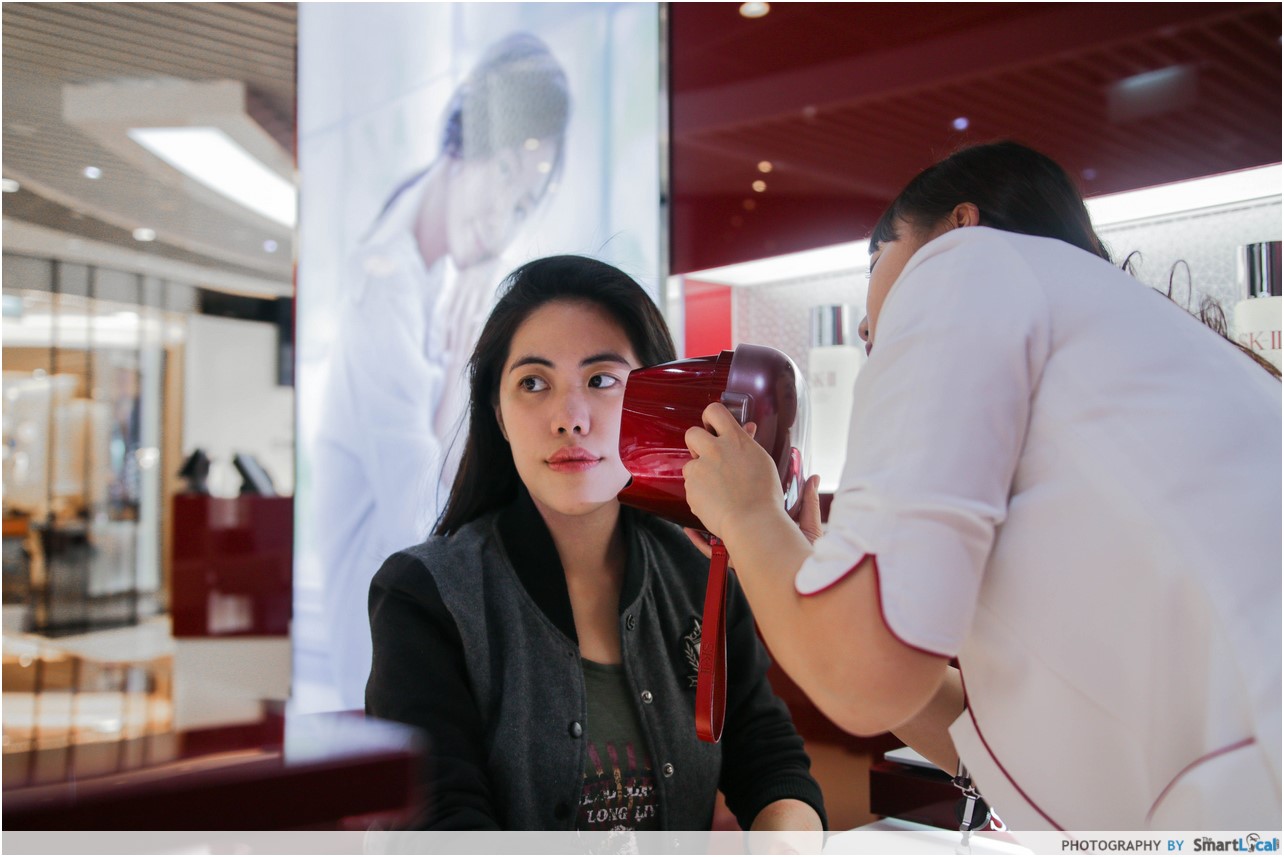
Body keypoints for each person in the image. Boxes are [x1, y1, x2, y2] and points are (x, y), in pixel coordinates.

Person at [681, 141, 1281, 831]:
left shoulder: (963, 266)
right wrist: (804, 572)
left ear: (959, 225)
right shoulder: (1141, 363)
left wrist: (749, 515)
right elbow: (990, 741)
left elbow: (862, 675)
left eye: (877, 264)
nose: (870, 327)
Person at [365, 255, 827, 833]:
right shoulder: (423, 596)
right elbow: (442, 825)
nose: (570, 418)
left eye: (602, 380)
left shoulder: (699, 567)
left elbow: (773, 766)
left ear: (659, 397)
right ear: (499, 415)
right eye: (533, 383)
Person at [313, 33, 571, 709]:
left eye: (524, 205)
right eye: (504, 173)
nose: (501, 219)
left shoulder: (433, 269)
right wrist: (466, 359)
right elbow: (423, 521)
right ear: (462, 138)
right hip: (377, 664)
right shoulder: (385, 289)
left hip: (406, 645)